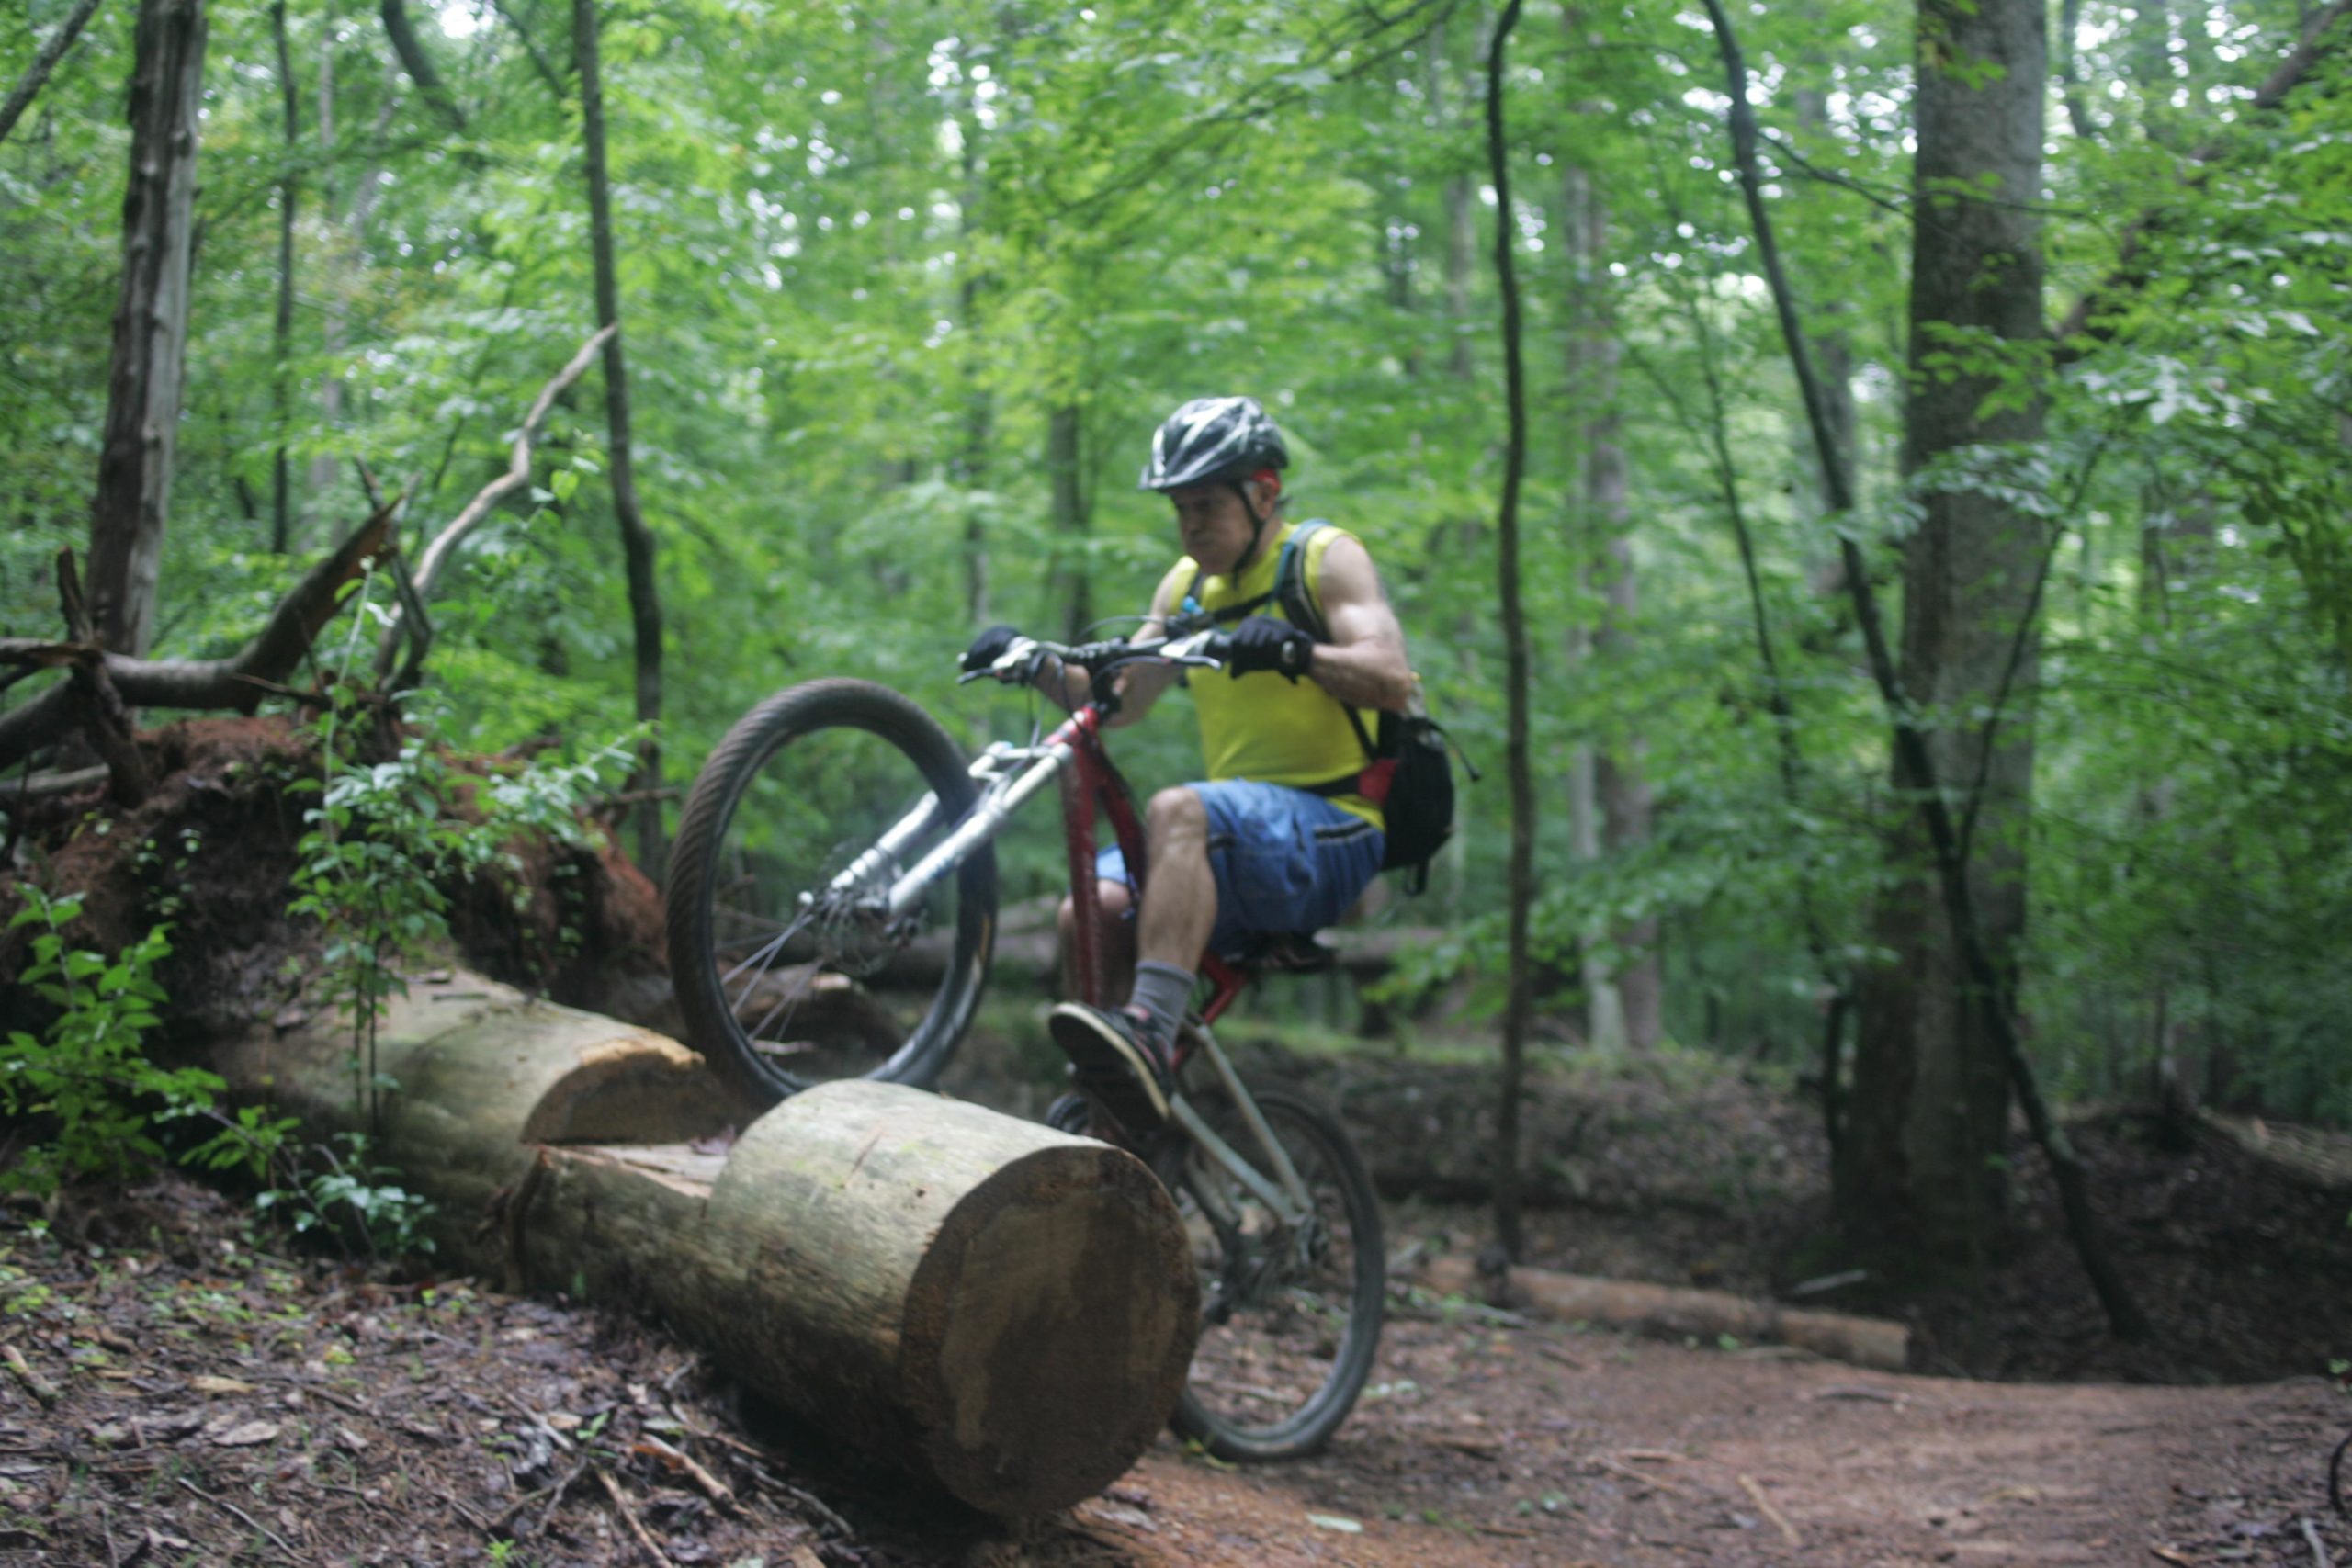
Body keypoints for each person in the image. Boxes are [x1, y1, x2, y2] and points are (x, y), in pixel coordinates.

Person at [962, 395, 1413, 1134]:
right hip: (1238, 840)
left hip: (1336, 830)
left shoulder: (1324, 558)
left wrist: (1298, 651)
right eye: (1181, 508)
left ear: (1263, 493)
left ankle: (1147, 1026)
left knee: (1178, 808)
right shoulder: (1186, 588)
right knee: (1086, 910)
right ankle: (1120, 1098)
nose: (1191, 523)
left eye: (1207, 504)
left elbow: (1390, 674)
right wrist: (1032, 659)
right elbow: (1119, 697)